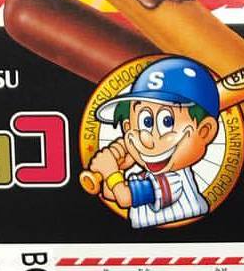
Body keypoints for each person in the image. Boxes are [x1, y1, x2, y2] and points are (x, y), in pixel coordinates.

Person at [89, 56, 220, 229]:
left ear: (204, 131)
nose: (147, 140)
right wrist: (118, 167)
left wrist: (110, 171)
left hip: (188, 238)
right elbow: (110, 193)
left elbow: (125, 198)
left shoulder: (173, 179)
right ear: (127, 128)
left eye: (167, 122)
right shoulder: (144, 177)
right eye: (146, 122)